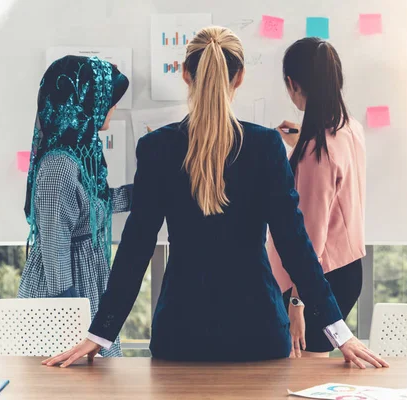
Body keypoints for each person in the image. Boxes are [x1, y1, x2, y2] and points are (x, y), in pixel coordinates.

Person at [43, 27, 387, 368]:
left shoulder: (156, 148)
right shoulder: (266, 146)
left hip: (181, 332)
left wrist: (100, 333)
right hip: (258, 332)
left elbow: (136, 246)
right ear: (239, 77)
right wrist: (340, 332)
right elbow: (295, 244)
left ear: (185, 74)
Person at [18, 55, 131, 357]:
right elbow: (55, 248)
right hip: (66, 291)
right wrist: (69, 319)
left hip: (84, 284)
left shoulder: (79, 156)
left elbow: (93, 208)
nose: (113, 107)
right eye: (108, 99)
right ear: (85, 103)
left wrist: (147, 192)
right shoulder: (59, 168)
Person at [267, 38, 367, 358]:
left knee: (304, 377)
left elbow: (309, 236)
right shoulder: (350, 128)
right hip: (346, 269)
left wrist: (298, 302)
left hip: (316, 281)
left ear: (292, 84)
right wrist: (299, 142)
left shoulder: (315, 152)